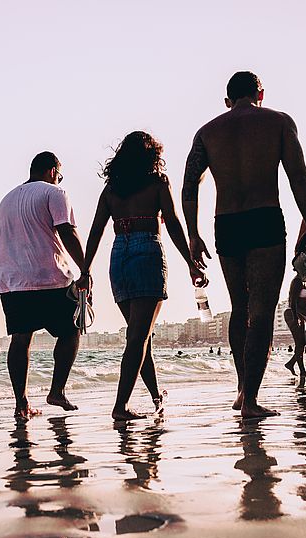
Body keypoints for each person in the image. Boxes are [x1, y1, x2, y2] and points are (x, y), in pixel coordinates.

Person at [182, 71, 306, 417]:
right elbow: (299, 176)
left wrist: (192, 235)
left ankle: (243, 390)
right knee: (261, 313)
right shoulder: (279, 123)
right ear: (260, 93)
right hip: (265, 218)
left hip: (226, 222)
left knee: (239, 308)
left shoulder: (207, 132)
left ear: (227, 101)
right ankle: (252, 401)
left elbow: (188, 186)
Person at [83, 132, 204, 420]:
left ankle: (154, 395)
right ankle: (120, 406)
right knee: (138, 335)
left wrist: (86, 269)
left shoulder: (111, 189)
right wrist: (190, 262)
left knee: (140, 334)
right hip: (146, 249)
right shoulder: (157, 182)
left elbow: (96, 230)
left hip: (118, 256)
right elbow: (172, 222)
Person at [0, 151, 87, 418]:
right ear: (51, 170)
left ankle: (21, 404)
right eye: (59, 174)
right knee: (71, 332)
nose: (58, 178)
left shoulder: (6, 199)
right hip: (50, 278)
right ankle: (56, 391)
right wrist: (85, 269)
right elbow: (67, 230)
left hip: (12, 281)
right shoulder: (54, 193)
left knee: (20, 340)